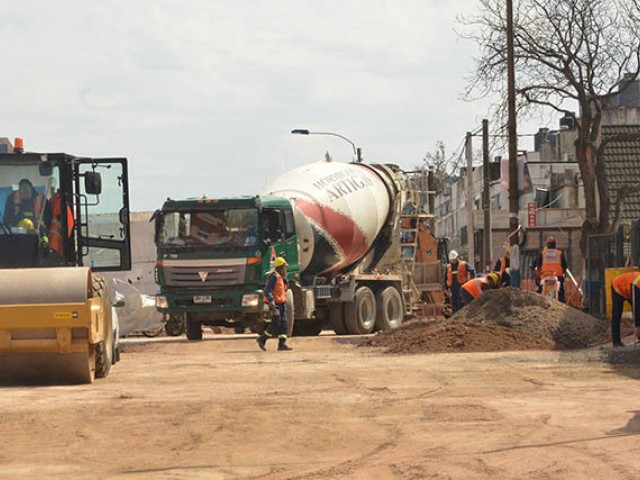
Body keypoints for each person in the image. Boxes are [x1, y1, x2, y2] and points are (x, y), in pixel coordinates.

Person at [256, 257, 292, 351]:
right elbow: (268, 290)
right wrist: (271, 302)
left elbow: (284, 288)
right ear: (281, 267)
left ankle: (282, 344)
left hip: (282, 304)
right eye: (284, 267)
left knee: (284, 324)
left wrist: (285, 280)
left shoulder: (281, 277)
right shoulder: (274, 276)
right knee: (276, 323)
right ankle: (262, 339)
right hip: (275, 304)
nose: (285, 269)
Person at [531, 236, 568, 302]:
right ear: (555, 245)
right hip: (558, 277)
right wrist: (563, 274)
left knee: (540, 291)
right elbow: (565, 266)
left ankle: (539, 302)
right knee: (561, 294)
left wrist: (538, 276)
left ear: (547, 244)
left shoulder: (543, 253)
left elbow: (538, 266)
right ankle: (562, 302)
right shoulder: (559, 254)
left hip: (545, 276)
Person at [610, 271, 640, 347]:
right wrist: (637, 326)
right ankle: (616, 342)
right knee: (616, 315)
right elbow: (637, 307)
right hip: (618, 287)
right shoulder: (638, 286)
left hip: (630, 289)